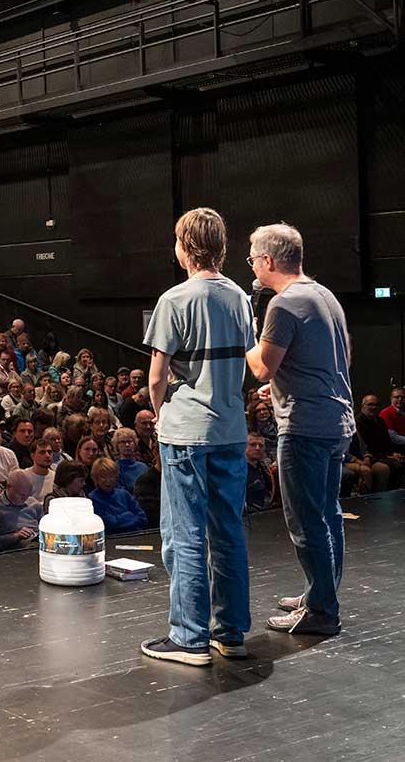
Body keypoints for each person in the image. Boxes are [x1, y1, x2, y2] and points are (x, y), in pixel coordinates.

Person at [139, 207, 254, 667]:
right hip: (230, 429)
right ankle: (231, 632)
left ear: (185, 247)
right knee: (229, 531)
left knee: (184, 534)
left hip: (186, 431)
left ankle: (189, 638)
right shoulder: (240, 298)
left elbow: (156, 377)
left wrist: (159, 413)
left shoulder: (174, 300)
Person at [245, 222, 354, 637]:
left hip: (305, 426)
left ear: (268, 260)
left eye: (253, 259)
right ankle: (321, 594)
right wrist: (286, 379)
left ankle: (322, 611)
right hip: (336, 420)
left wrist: (246, 334)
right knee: (328, 513)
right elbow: (339, 357)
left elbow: (260, 368)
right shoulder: (324, 295)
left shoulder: (283, 305)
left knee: (306, 522)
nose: (253, 266)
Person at [0, 470, 42, 552]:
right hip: (13, 552)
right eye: (21, 494)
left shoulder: (34, 504)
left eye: (28, 494)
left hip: (37, 546)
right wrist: (15, 536)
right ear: (8, 487)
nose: (25, 498)